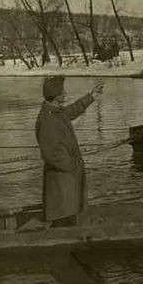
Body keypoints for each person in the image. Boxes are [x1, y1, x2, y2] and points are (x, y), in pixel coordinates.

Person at [35, 76, 103, 227]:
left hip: (66, 178)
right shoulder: (48, 119)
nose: (65, 93)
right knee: (63, 216)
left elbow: (73, 110)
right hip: (62, 178)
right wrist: (72, 165)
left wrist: (91, 96)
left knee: (69, 213)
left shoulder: (55, 112)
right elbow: (50, 154)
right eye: (62, 91)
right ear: (55, 94)